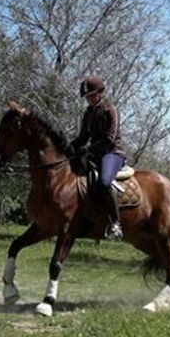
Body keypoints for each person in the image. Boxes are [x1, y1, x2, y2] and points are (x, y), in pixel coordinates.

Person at [70, 76, 125, 239]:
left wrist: (88, 149)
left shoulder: (110, 110)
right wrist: (70, 147)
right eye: (87, 96)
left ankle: (116, 223)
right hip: (95, 153)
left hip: (113, 153)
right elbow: (83, 137)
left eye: (91, 95)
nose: (88, 99)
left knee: (105, 181)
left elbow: (109, 138)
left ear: (100, 93)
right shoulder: (88, 112)